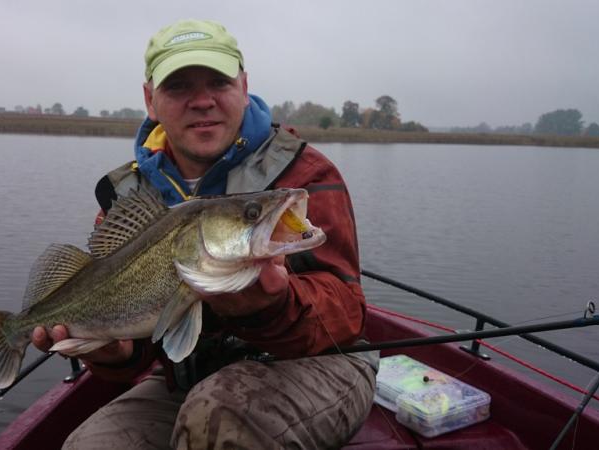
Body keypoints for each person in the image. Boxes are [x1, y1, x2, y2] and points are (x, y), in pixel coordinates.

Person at [32, 18, 378, 449]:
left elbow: (348, 313)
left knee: (219, 415)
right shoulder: (127, 199)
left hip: (321, 364)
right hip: (188, 381)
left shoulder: (305, 175)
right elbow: (142, 346)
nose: (202, 101)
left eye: (218, 82)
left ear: (244, 87)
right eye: (178, 87)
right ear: (150, 100)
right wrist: (114, 353)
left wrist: (271, 306)